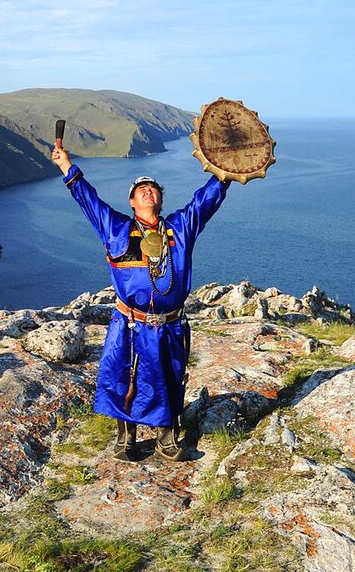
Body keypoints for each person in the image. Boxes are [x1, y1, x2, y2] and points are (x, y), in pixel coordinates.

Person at [51, 144, 227, 461]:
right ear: (131, 202)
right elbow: (88, 201)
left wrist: (224, 175)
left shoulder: (180, 228)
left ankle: (166, 438)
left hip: (170, 323)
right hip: (129, 323)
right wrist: (67, 166)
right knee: (124, 376)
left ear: (160, 199)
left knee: (169, 376)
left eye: (153, 189)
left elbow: (203, 203)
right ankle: (126, 438)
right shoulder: (116, 229)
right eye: (140, 190)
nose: (147, 192)